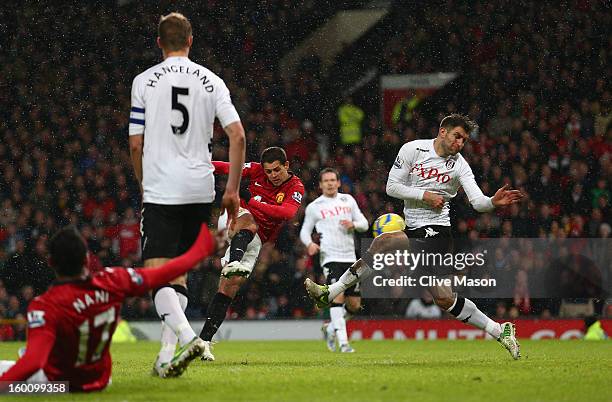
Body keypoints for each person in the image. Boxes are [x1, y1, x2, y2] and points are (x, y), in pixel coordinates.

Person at [305, 114, 524, 359]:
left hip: (438, 231)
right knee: (444, 299)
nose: (460, 143)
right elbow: (391, 187)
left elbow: (478, 202)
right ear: (443, 131)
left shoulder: (460, 164)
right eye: (457, 136)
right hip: (413, 227)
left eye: (464, 140)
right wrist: (424, 195)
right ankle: (498, 329)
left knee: (383, 242)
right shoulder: (413, 149)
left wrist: (493, 201)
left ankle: (330, 292)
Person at [128, 12, 245, 377]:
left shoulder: (144, 81)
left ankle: (188, 336)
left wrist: (144, 184)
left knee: (155, 273)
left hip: (162, 187)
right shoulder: (211, 81)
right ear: (191, 41)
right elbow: (238, 136)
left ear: (159, 42)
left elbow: (135, 143)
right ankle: (165, 357)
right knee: (177, 274)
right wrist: (232, 189)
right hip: (199, 187)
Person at [0, 224, 215, 391]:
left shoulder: (44, 305)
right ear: (86, 259)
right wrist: (200, 249)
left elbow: (33, 362)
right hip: (101, 380)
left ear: (51, 262)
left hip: (60, 386)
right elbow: (161, 274)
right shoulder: (113, 280)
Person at [198, 147, 305, 360]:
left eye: (276, 170)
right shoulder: (255, 170)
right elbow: (228, 167)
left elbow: (287, 212)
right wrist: (200, 166)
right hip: (236, 217)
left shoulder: (296, 186)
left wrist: (255, 201)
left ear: (286, 166)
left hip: (255, 239)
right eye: (268, 171)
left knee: (229, 287)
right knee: (249, 223)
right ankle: (233, 262)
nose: (272, 175)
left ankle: (204, 342)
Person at [299, 168, 368, 353]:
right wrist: (309, 244)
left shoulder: (348, 201)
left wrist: (354, 224)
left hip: (351, 258)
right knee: (338, 296)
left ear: (338, 183)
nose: (329, 183)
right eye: (326, 180)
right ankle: (344, 344)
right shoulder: (314, 206)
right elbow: (304, 231)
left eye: (332, 180)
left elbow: (365, 224)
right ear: (320, 185)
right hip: (330, 257)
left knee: (354, 305)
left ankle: (330, 329)